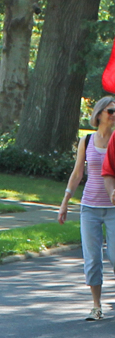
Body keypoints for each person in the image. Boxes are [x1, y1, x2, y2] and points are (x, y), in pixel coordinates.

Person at [58, 96, 115, 320]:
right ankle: (96, 306)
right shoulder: (87, 140)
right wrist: (65, 202)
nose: (114, 115)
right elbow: (77, 174)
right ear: (99, 114)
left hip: (113, 208)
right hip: (89, 207)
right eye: (110, 111)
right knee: (92, 259)